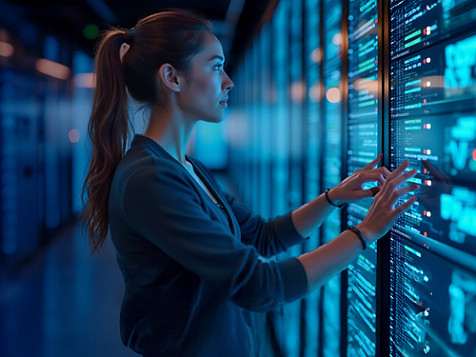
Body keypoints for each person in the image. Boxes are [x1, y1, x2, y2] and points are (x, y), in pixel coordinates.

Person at [82, 9, 419, 357]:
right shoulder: (149, 179)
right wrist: (364, 234)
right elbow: (260, 286)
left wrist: (333, 197)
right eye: (215, 66)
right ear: (172, 77)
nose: (228, 81)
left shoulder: (184, 166)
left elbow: (261, 236)